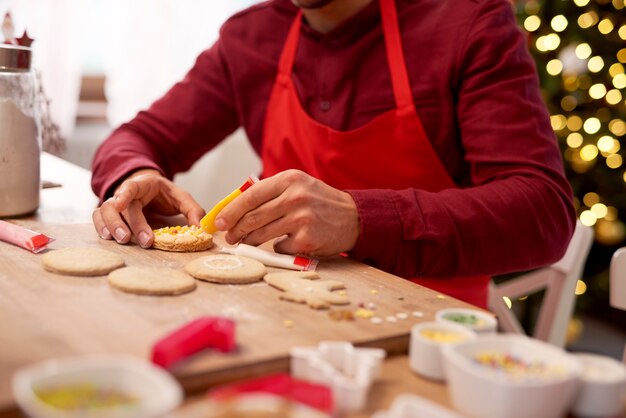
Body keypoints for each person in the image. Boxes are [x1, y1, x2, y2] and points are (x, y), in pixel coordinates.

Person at [91, 0, 576, 309]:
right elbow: (140, 137)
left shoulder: (468, 22)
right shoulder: (251, 37)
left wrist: (360, 219)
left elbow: (544, 211)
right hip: (274, 309)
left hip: (425, 327)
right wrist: (134, 174)